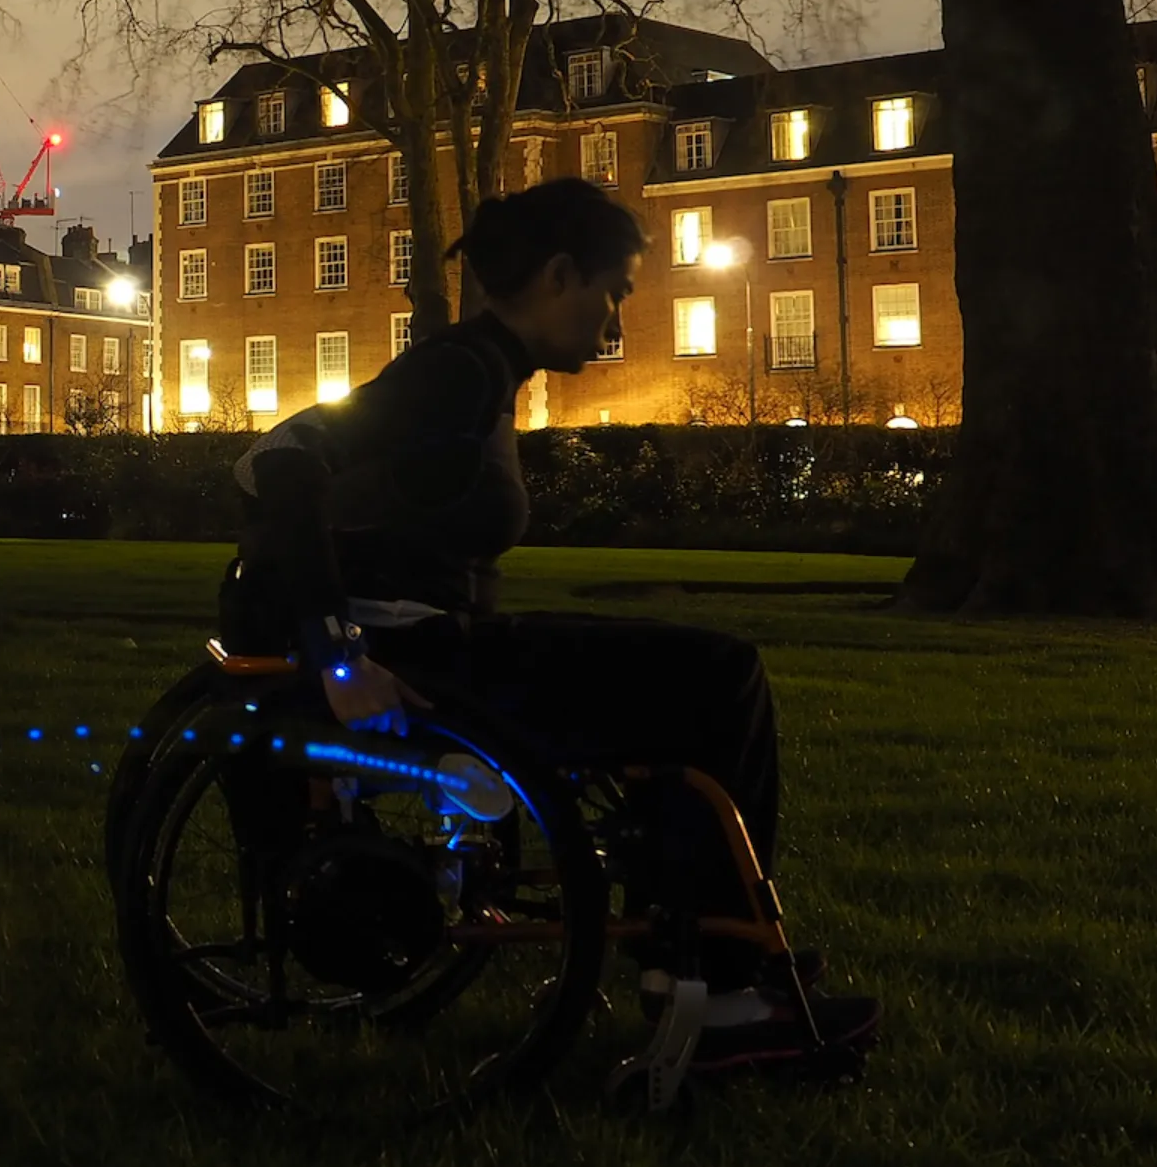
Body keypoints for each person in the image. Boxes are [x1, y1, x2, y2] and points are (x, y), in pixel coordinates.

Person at [218, 177, 879, 1072]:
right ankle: (719, 987)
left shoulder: (477, 371)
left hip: (429, 640)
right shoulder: (456, 370)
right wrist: (337, 656)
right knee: (721, 675)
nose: (615, 320)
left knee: (668, 677)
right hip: (421, 657)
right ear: (560, 275)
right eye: (614, 293)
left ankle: (693, 962)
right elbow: (279, 458)